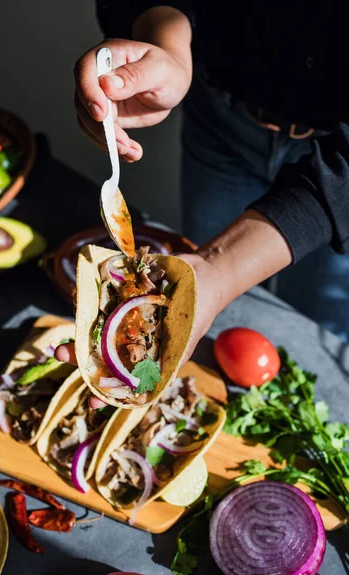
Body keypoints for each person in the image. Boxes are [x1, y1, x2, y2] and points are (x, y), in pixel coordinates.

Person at [56, 3, 349, 404]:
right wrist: (165, 38)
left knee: (314, 330)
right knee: (205, 301)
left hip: (341, 178)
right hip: (220, 119)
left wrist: (219, 267)